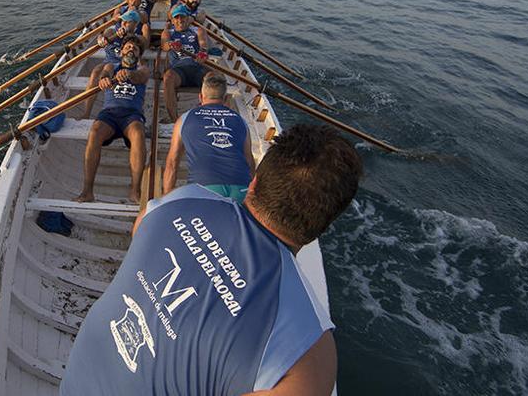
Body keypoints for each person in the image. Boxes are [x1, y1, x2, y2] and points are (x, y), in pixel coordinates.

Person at [61, 124, 363, 396]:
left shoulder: (184, 198)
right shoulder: (311, 354)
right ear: (322, 225)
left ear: (254, 182)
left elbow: (139, 231)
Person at [75, 36, 150, 204]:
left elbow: (140, 77)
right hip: (109, 114)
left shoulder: (143, 69)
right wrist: (103, 79)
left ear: (138, 55)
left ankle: (135, 190)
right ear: (122, 51)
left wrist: (129, 74)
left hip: (132, 115)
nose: (131, 49)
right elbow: (104, 73)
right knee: (94, 131)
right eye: (128, 47)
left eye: (135, 49)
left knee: (138, 132)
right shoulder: (111, 66)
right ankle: (87, 191)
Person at [163, 75, 255, 202]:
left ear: (200, 97)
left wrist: (166, 200)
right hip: (241, 188)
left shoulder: (185, 119)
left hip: (204, 188)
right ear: (226, 99)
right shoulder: (241, 121)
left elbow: (172, 163)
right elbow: (249, 161)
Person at [82, 10, 148, 119]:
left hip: (128, 65)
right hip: (109, 63)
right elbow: (102, 37)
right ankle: (87, 112)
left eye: (128, 22)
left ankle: (137, 109)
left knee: (140, 75)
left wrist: (129, 37)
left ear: (135, 24)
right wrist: (100, 40)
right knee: (95, 72)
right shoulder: (112, 32)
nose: (124, 24)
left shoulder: (137, 38)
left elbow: (143, 44)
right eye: (123, 21)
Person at [161, 4, 210, 121]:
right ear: (172, 20)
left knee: (214, 78)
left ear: (188, 18)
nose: (180, 20)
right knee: (168, 77)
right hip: (179, 71)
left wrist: (202, 53)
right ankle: (174, 119)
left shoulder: (198, 30)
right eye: (176, 18)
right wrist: (171, 44)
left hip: (197, 68)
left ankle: (209, 116)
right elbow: (164, 45)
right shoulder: (168, 33)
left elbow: (204, 45)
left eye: (182, 17)